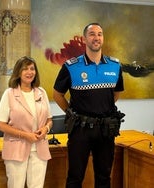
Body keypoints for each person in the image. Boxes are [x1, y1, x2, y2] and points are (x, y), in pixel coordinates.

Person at [53, 23, 125, 188]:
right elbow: (57, 95)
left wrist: (101, 108)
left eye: (99, 34)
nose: (96, 38)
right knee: (75, 177)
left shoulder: (115, 66)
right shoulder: (71, 67)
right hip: (80, 130)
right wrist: (71, 113)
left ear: (103, 38)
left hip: (106, 129)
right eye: (92, 34)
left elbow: (116, 93)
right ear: (85, 39)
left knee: (104, 177)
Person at [0, 56, 53, 188]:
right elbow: (1, 125)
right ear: (18, 72)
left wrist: (46, 129)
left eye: (32, 69)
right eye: (25, 69)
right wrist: (26, 135)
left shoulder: (41, 92)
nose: (29, 72)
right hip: (16, 149)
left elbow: (49, 120)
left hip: (39, 149)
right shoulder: (9, 94)